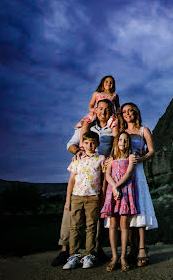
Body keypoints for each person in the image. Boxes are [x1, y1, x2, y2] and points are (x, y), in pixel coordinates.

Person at [52, 99, 115, 266]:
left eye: (107, 109)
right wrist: (79, 152)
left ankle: (94, 250)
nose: (103, 112)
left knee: (96, 212)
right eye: (100, 108)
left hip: (100, 170)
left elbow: (116, 146)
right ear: (95, 109)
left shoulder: (113, 128)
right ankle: (66, 250)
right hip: (82, 172)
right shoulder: (86, 125)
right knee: (72, 212)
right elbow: (70, 145)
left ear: (111, 111)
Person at [105, 102, 157, 267]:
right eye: (124, 111)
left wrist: (139, 160)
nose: (127, 113)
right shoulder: (121, 133)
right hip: (120, 172)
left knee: (139, 206)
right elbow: (115, 150)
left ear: (136, 112)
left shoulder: (143, 130)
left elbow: (151, 151)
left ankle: (141, 248)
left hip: (137, 170)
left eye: (130, 111)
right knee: (124, 209)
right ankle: (130, 248)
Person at [62, 131, 105, 270]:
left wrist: (102, 199)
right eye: (86, 143)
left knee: (91, 226)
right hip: (77, 196)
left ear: (97, 144)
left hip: (93, 197)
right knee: (74, 226)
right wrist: (68, 200)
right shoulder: (77, 159)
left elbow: (104, 181)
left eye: (92, 143)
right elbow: (71, 180)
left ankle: (88, 255)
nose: (90, 145)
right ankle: (73, 255)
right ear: (82, 144)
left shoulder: (101, 159)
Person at [101, 132, 139, 272]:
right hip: (113, 193)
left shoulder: (131, 157)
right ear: (117, 142)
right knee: (112, 224)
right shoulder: (111, 159)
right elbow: (107, 175)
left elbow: (129, 173)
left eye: (126, 140)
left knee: (124, 225)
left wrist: (118, 187)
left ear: (128, 143)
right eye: (120, 139)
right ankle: (114, 257)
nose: (123, 141)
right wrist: (114, 188)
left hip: (125, 191)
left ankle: (123, 256)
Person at [75, 75, 120, 145]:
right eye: (106, 82)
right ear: (102, 83)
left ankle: (115, 147)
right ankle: (81, 144)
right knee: (86, 124)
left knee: (115, 127)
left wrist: (117, 114)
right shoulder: (97, 94)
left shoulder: (114, 95)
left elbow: (118, 107)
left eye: (111, 83)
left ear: (113, 85)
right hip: (97, 112)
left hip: (109, 114)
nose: (108, 84)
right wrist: (92, 110)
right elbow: (91, 104)